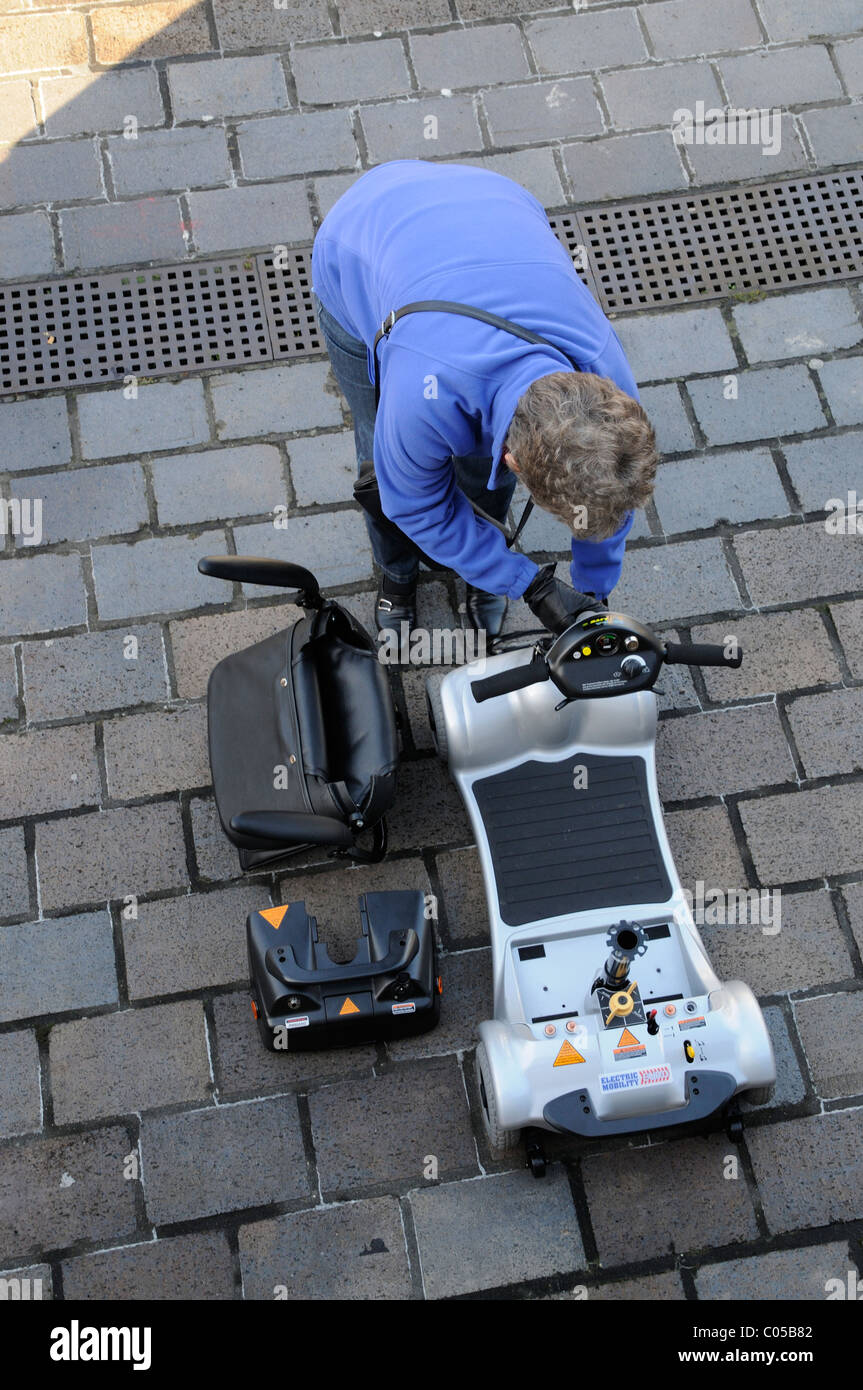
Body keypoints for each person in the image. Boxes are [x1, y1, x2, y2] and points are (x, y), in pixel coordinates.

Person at [310, 159, 658, 639]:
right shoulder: (420, 394)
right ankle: (398, 571)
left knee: (478, 470)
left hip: (492, 204)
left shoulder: (606, 377)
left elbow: (613, 495)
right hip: (358, 243)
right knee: (380, 455)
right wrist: (526, 582)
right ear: (514, 461)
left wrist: (595, 592)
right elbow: (413, 503)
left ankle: (478, 563)